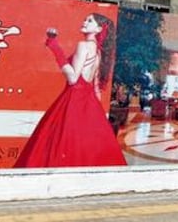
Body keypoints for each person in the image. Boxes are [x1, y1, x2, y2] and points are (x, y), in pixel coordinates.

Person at [13, 13, 127, 167]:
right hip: (89, 102)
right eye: (85, 19)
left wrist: (55, 47)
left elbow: (73, 78)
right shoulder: (99, 52)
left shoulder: (83, 45)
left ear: (99, 29)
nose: (84, 21)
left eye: (89, 20)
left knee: (59, 143)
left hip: (73, 99)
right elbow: (95, 86)